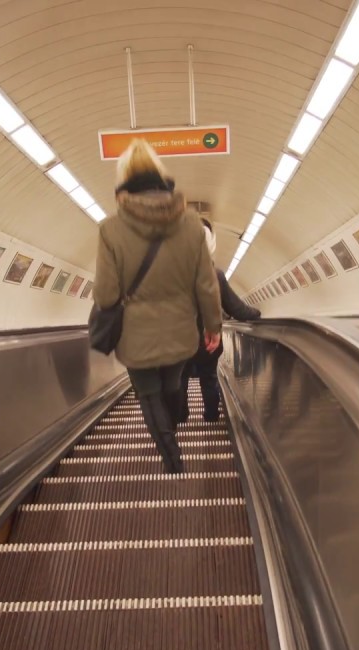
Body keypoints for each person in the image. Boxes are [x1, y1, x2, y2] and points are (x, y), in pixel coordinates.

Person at [94, 140, 222, 474]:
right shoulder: (193, 224)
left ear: (123, 182)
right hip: (181, 332)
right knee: (172, 386)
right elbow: (206, 285)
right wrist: (213, 327)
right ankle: (176, 426)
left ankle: (171, 457)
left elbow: (106, 296)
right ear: (161, 176)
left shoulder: (110, 230)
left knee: (149, 394)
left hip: (135, 336)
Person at [176, 218, 262, 423]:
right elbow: (238, 309)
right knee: (209, 379)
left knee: (180, 381)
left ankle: (180, 416)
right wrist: (257, 313)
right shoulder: (215, 275)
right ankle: (211, 416)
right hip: (207, 345)